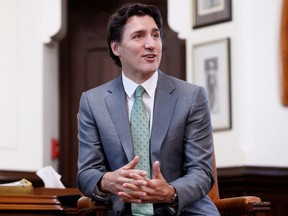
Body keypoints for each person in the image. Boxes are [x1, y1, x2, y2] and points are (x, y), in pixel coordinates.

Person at [77, 3, 220, 216]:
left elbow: (202, 172)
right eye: (139, 36)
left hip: (183, 210)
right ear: (116, 48)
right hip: (124, 211)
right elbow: (86, 173)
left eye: (155, 35)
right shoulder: (93, 102)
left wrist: (171, 191)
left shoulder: (191, 97)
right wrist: (108, 181)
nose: (151, 44)